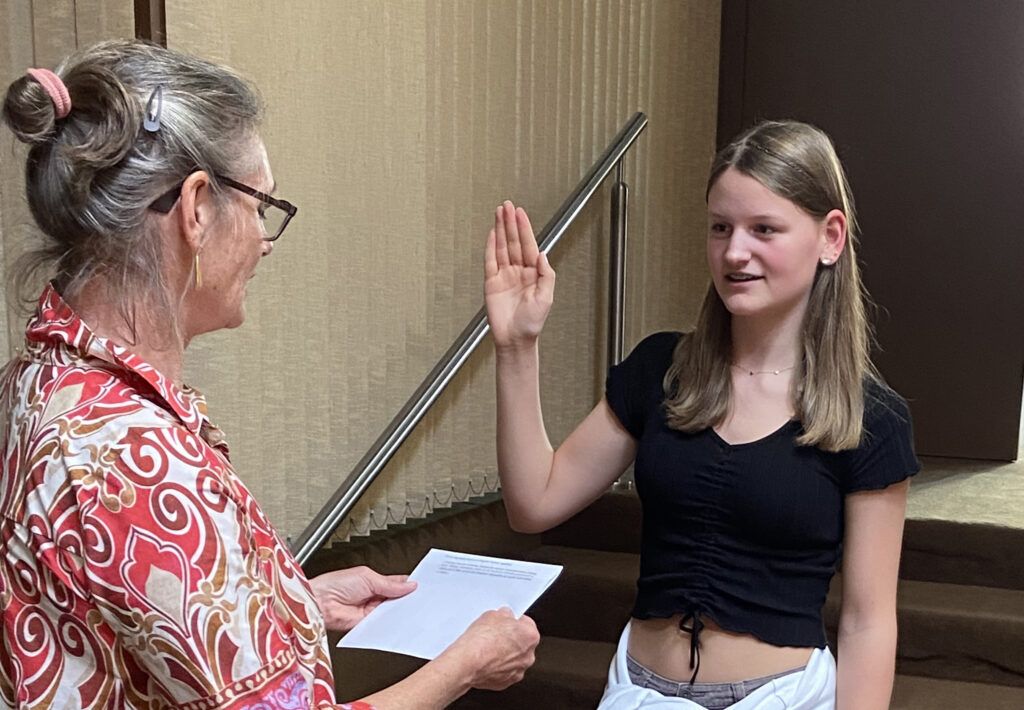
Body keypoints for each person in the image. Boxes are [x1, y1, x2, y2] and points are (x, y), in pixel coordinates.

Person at [0, 40, 538, 710]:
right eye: (261, 206)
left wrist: (297, 600)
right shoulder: (133, 459)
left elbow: (122, 616)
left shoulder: (41, 379)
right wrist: (464, 664)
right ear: (197, 207)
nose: (265, 241)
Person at [484, 120, 919, 709]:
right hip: (638, 690)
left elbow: (868, 622)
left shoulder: (871, 418)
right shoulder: (662, 370)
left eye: (764, 228)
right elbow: (534, 504)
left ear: (830, 237)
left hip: (780, 697)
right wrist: (516, 347)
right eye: (720, 227)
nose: (734, 252)